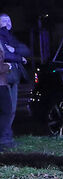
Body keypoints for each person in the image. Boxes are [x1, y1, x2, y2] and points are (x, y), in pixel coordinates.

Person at [0, 13, 30, 150]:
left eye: (9, 20)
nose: (7, 23)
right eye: (4, 20)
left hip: (13, 77)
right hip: (4, 76)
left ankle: (7, 135)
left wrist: (15, 50)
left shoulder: (12, 38)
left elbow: (25, 50)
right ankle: (4, 137)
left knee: (11, 109)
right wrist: (18, 57)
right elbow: (5, 54)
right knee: (6, 108)